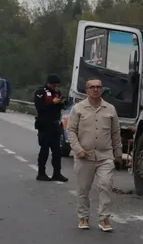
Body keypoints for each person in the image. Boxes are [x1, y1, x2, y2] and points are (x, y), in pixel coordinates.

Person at [66, 78, 122, 232]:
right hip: (84, 156)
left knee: (106, 185)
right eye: (92, 87)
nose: (96, 89)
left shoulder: (110, 109)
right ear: (87, 90)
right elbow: (71, 131)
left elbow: (115, 132)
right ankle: (83, 217)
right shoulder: (78, 109)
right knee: (83, 189)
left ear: (102, 89)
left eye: (98, 87)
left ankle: (104, 218)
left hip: (105, 156)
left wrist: (118, 153)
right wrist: (78, 149)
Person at [33, 74, 68, 182]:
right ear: (49, 83)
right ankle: (41, 173)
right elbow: (40, 107)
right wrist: (52, 103)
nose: (55, 87)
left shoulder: (57, 93)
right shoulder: (40, 92)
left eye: (57, 85)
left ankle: (57, 173)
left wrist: (61, 103)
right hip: (44, 124)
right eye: (53, 85)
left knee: (57, 151)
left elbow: (61, 107)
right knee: (44, 150)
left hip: (55, 125)